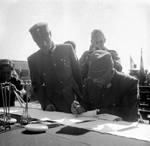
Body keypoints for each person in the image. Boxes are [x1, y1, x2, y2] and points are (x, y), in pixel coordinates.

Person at [28, 22, 83, 113]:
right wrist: (46, 104)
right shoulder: (33, 60)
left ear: (50, 34)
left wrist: (82, 101)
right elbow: (37, 86)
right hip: (53, 107)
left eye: (45, 39)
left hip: (74, 103)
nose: (44, 44)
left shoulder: (67, 49)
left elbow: (78, 77)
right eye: (39, 42)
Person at [71, 50, 139, 122]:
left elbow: (130, 115)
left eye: (99, 77)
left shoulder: (129, 83)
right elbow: (86, 104)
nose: (95, 80)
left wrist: (99, 112)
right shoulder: (89, 82)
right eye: (93, 77)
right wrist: (79, 107)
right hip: (94, 127)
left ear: (111, 71)